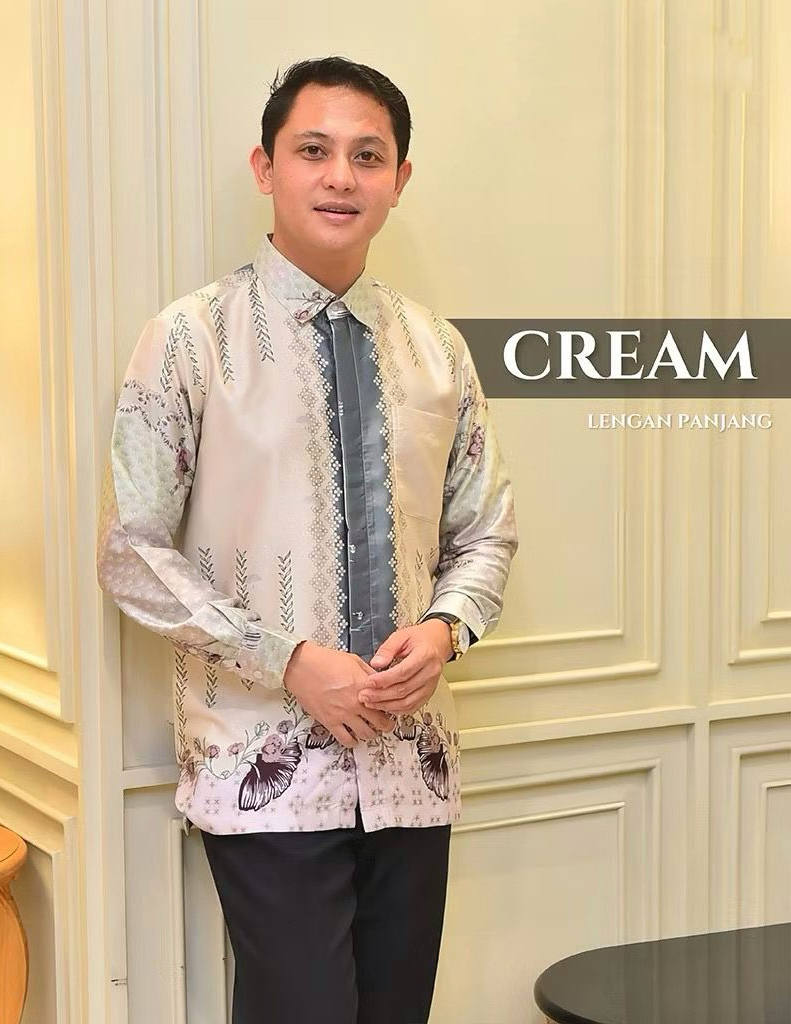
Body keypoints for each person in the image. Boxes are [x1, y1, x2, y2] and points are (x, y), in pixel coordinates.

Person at [97, 55, 518, 1024]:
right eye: (314, 151)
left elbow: (486, 527)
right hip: (264, 768)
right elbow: (132, 548)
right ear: (266, 167)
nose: (340, 177)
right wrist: (287, 659)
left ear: (399, 180)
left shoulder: (437, 349)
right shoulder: (191, 339)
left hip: (411, 766)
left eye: (367, 156)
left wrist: (446, 629)